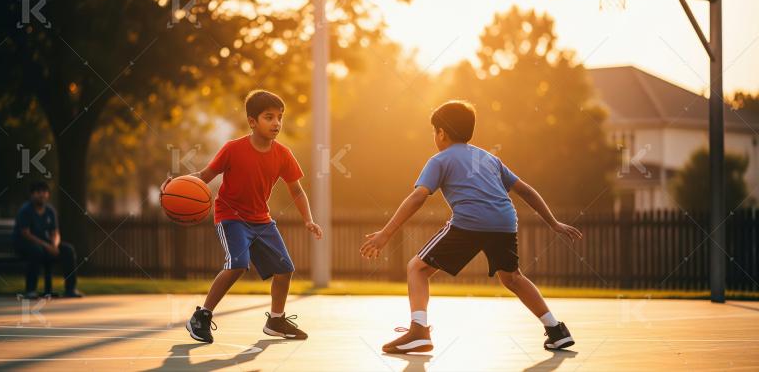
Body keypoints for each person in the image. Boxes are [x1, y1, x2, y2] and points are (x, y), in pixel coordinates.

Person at [360, 100, 583, 353]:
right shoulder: (489, 159)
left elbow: (418, 196)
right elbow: (526, 191)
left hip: (470, 222)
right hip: (504, 221)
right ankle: (556, 330)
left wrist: (385, 234)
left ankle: (419, 331)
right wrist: (553, 223)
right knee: (512, 277)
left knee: (417, 268)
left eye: (434, 132)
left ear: (441, 133)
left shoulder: (439, 160)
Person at [164, 90, 323, 344]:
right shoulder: (233, 149)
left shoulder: (283, 154)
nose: (276, 123)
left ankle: (276, 320)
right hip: (231, 216)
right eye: (269, 117)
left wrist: (308, 219)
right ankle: (201, 316)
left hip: (261, 219)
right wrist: (175, 185)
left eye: (279, 117)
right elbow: (205, 176)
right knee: (238, 264)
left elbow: (297, 190)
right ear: (252, 121)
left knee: (285, 269)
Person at [13, 181, 83, 299]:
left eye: (44, 192)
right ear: (32, 195)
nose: (42, 195)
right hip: (25, 245)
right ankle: (31, 290)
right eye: (38, 192)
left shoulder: (50, 211)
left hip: (45, 245)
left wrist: (55, 245)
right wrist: (47, 246)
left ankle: (70, 289)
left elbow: (55, 232)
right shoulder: (25, 210)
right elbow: (26, 234)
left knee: (68, 250)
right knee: (36, 251)